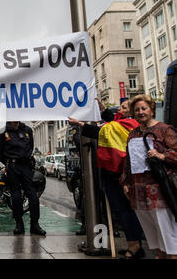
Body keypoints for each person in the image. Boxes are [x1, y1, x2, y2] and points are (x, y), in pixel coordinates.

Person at [69, 97, 145, 258]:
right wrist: (103, 108)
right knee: (123, 211)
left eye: (124, 107)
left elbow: (104, 131)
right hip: (114, 173)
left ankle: (135, 246)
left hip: (121, 174)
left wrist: (80, 124)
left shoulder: (129, 125)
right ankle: (134, 244)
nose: (120, 109)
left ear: (130, 112)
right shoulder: (119, 123)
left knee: (126, 211)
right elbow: (111, 124)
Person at [121, 94, 177, 259]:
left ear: (151, 110)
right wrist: (125, 182)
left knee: (168, 233)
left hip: (160, 191)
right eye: (137, 109)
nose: (140, 112)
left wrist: (161, 155)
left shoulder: (165, 129)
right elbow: (128, 161)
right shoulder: (133, 134)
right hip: (139, 191)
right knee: (154, 235)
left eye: (143, 108)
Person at [0, 121, 46, 235]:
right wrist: (8, 163)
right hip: (12, 166)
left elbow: (30, 147)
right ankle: (19, 224)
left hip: (26, 166)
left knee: (33, 195)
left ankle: (35, 224)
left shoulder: (27, 130)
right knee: (16, 196)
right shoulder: (2, 131)